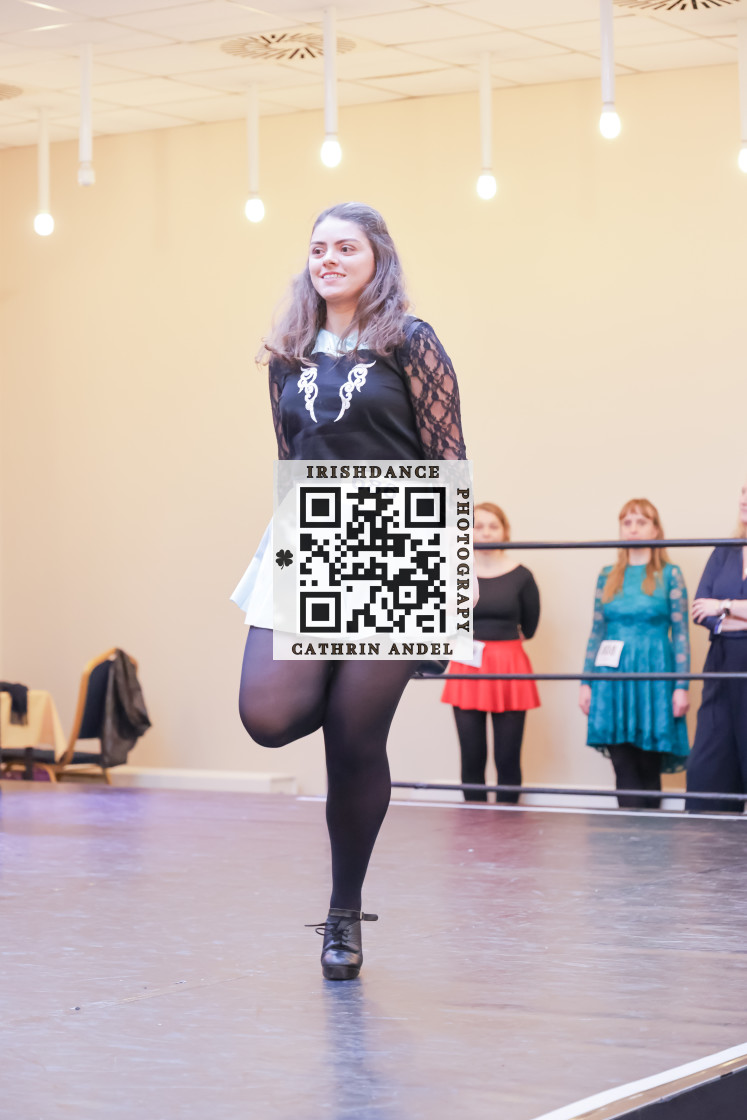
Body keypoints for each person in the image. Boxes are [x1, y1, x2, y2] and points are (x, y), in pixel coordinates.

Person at [231, 202, 467, 980]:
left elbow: (448, 456)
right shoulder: (288, 356)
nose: (328, 259)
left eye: (345, 247)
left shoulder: (410, 340)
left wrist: (448, 578)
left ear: (377, 260)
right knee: (268, 716)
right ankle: (340, 692)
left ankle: (342, 913)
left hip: (395, 541)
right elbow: (287, 457)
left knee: (354, 743)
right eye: (318, 248)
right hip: (306, 536)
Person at [579, 499, 690, 809]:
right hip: (611, 677)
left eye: (641, 522)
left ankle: (650, 834)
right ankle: (628, 832)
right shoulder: (607, 575)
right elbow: (597, 631)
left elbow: (681, 633)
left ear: (655, 529)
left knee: (648, 763)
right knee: (622, 763)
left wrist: (681, 686)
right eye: (627, 522)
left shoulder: (670, 574)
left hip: (655, 674)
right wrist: (586, 682)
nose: (633, 528)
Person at [441, 503, 540, 804]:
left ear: (504, 531)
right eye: (477, 526)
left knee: (508, 756)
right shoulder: (454, 572)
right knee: (471, 755)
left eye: (493, 526)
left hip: (508, 664)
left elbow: (530, 627)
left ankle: (509, 822)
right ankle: (474, 820)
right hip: (467, 664)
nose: (485, 532)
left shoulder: (522, 575)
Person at [687, 480, 747, 813]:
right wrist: (734, 617)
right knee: (708, 765)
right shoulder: (725, 550)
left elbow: (713, 606)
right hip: (721, 666)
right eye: (743, 492)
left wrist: (724, 605)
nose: (744, 500)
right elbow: (701, 609)